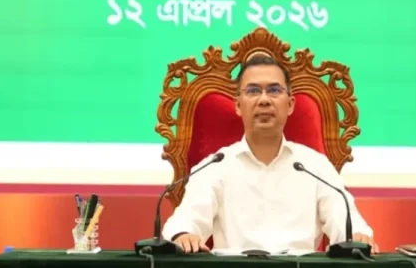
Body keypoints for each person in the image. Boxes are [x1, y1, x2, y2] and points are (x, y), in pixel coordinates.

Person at [161, 54, 376, 253]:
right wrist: (184, 235)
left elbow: (345, 219)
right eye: (253, 91)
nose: (264, 100)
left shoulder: (315, 166)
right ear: (238, 105)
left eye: (274, 90)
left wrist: (356, 235)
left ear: (290, 105)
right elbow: (185, 221)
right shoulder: (216, 166)